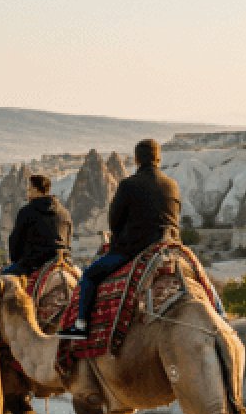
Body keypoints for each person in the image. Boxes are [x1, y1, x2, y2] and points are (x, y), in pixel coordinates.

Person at [58, 138, 181, 339]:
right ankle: (219, 312)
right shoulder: (172, 185)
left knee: (89, 276)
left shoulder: (128, 185)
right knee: (200, 278)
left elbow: (114, 221)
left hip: (136, 248)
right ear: (159, 159)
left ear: (137, 159)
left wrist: (120, 238)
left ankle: (81, 325)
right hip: (171, 246)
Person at [1, 174, 72, 277]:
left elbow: (15, 241)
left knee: (2, 277)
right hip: (62, 259)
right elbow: (68, 241)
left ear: (35, 190)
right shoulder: (65, 213)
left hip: (34, 262)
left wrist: (17, 261)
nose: (27, 193)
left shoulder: (26, 212)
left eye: (29, 189)